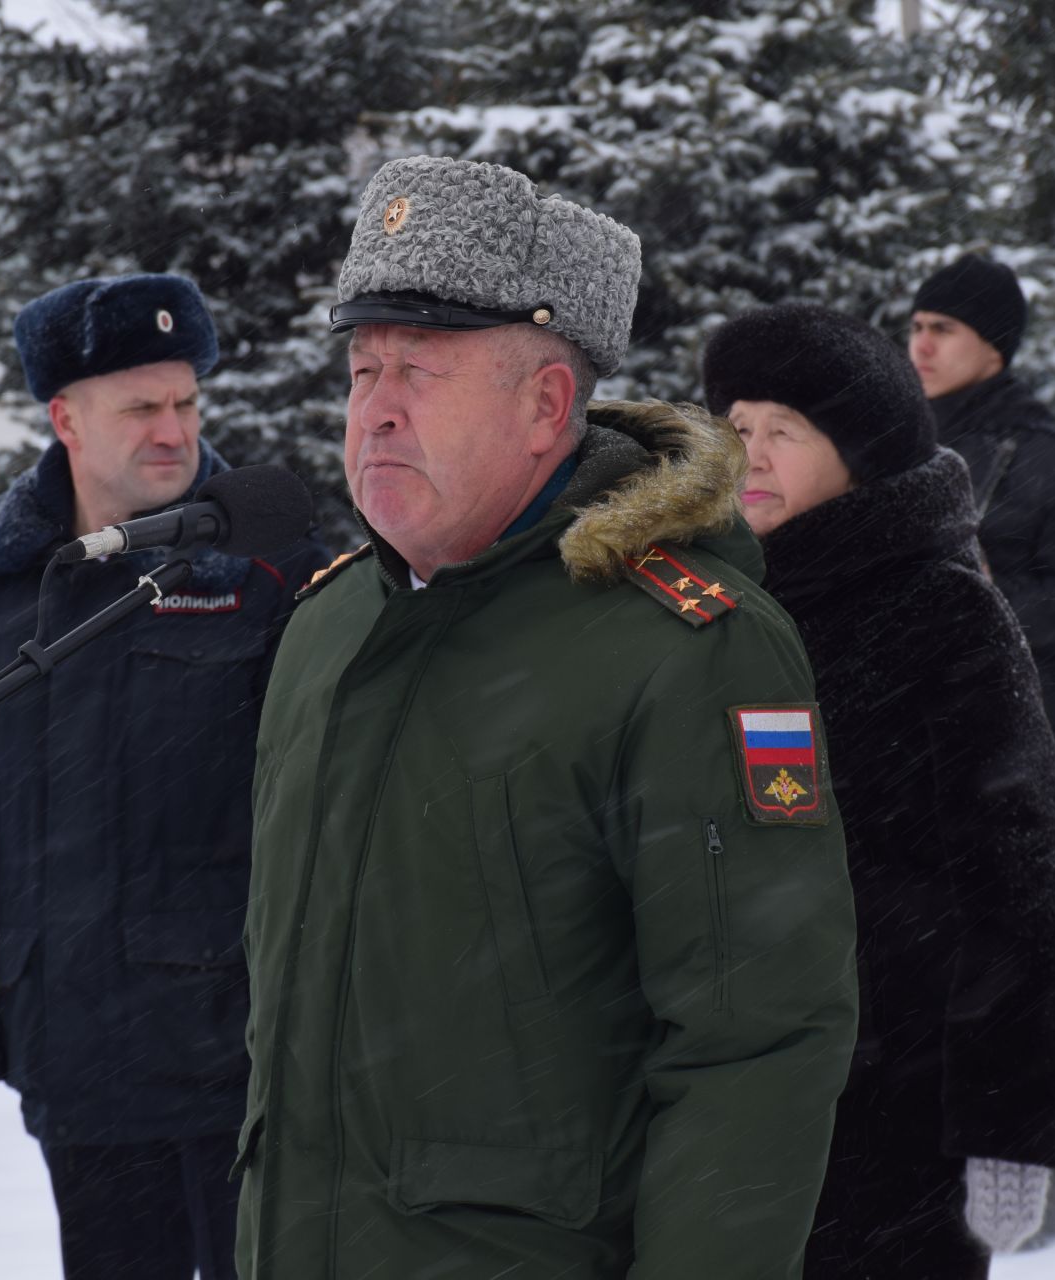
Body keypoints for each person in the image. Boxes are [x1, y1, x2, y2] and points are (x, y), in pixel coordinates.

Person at [234, 155, 859, 1279]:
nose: (373, 406)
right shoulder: (325, 629)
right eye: (363, 368)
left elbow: (753, 1041)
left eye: (419, 371)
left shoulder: (684, 647)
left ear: (546, 405)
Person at [0, 273, 329, 1280]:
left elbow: (327, 810)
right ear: (66, 418)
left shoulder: (269, 564)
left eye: (186, 403)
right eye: (141, 407)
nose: (172, 431)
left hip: (243, 1058)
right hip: (76, 1048)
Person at [701, 304, 1055, 1277]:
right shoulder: (718, 603)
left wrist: (1009, 1117)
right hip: (737, 1106)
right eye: (737, 428)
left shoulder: (941, 608)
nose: (751, 454)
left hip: (897, 1110)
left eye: (784, 431)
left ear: (859, 452)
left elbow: (1021, 881)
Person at [907, 254, 1055, 770]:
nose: (921, 345)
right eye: (917, 326)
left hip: (1011, 746)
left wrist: (989, 599)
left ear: (994, 345)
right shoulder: (893, 451)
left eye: (944, 329)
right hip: (900, 739)